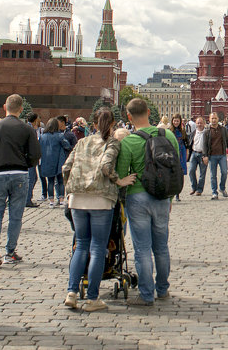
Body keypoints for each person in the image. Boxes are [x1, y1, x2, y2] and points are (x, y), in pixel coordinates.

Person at [63, 108, 131, 313]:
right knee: (98, 248)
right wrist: (119, 180)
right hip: (100, 200)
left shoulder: (82, 142)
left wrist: (69, 191)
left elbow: (66, 167)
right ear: (112, 125)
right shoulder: (112, 142)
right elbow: (105, 166)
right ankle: (93, 298)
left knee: (81, 245)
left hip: (77, 199)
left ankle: (72, 293)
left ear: (92, 124)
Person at [116, 98, 178, 306]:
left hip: (138, 197)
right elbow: (175, 166)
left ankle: (146, 294)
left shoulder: (128, 142)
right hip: (162, 197)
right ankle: (162, 289)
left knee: (142, 248)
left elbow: (122, 173)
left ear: (129, 117)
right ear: (149, 111)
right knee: (161, 246)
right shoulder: (168, 135)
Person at [0, 94, 41, 267]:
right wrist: (26, 164)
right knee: (15, 215)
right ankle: (10, 252)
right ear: (21, 109)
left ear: (4, 107)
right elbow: (36, 155)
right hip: (20, 173)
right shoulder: (27, 129)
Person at [38, 118, 73, 207]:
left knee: (50, 181)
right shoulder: (60, 135)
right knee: (60, 181)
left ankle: (51, 201)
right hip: (58, 160)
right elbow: (67, 146)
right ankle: (61, 200)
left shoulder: (42, 136)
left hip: (47, 161)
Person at [204, 113, 228, 200]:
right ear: (209, 119)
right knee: (213, 175)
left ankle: (222, 188)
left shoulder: (223, 129)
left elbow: (227, 140)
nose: (214, 120)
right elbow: (204, 144)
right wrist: (205, 156)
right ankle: (214, 192)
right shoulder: (207, 130)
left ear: (218, 119)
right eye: (212, 118)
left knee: (224, 172)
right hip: (212, 156)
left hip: (222, 154)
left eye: (215, 118)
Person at [187, 116, 208, 195]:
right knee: (191, 171)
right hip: (194, 153)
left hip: (203, 154)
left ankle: (199, 190)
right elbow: (190, 142)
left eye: (201, 123)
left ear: (204, 123)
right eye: (198, 123)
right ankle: (194, 187)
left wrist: (206, 155)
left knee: (202, 173)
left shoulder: (207, 133)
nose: (199, 124)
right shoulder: (194, 132)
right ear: (196, 124)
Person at [169, 115, 188, 201]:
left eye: (177, 121)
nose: (176, 122)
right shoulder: (169, 131)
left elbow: (186, 143)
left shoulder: (182, 131)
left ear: (180, 122)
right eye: (174, 121)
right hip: (172, 152)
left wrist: (186, 154)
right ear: (172, 121)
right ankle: (171, 193)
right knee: (171, 173)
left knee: (180, 174)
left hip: (181, 152)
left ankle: (177, 194)